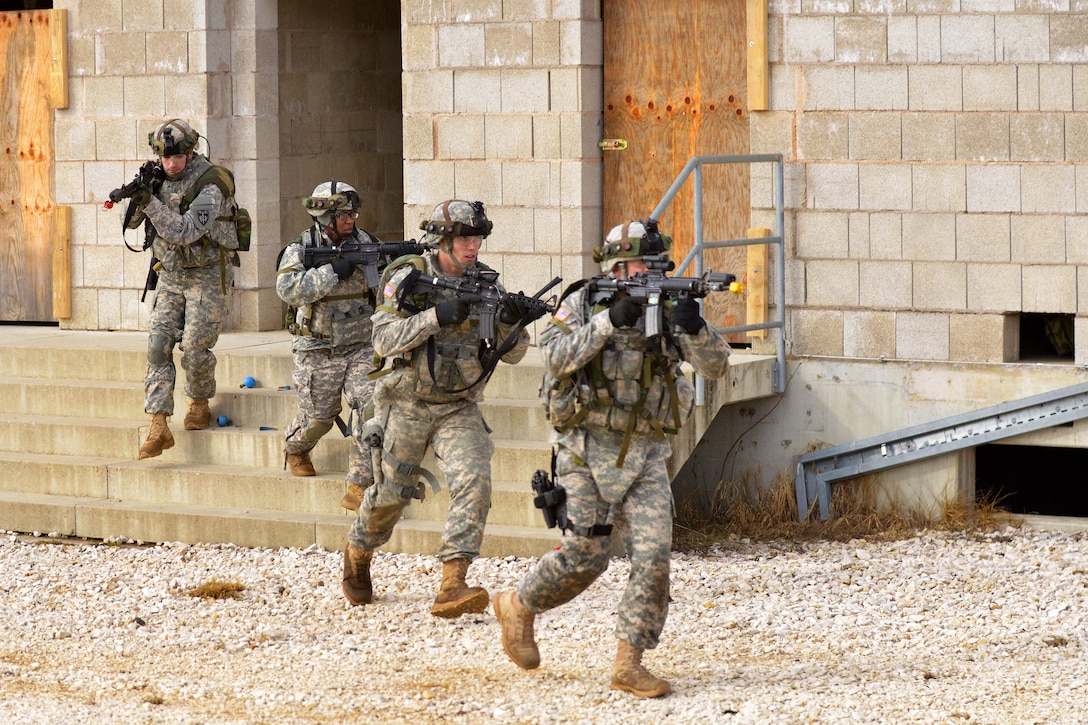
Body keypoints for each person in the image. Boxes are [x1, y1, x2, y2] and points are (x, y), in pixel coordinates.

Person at [492, 220, 731, 698]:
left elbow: (717, 365)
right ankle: (518, 605)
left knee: (654, 556)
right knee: (587, 556)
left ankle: (629, 662)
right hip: (584, 450)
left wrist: (696, 328)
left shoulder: (666, 308)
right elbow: (555, 359)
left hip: (644, 453)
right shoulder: (581, 302)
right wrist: (609, 321)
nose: (655, 270)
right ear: (619, 267)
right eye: (646, 263)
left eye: (659, 262)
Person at [341, 200, 536, 618]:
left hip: (458, 406)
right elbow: (383, 341)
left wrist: (513, 322)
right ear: (443, 240)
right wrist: (436, 316)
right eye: (465, 237)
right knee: (392, 495)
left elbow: (515, 354)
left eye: (478, 238)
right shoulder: (408, 277)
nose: (473, 246)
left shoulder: (487, 284)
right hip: (405, 402)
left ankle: (453, 581)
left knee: (474, 480)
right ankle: (358, 552)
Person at [131, 119, 241, 459]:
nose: (171, 164)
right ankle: (158, 424)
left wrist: (150, 202)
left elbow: (185, 231)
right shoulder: (159, 176)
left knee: (194, 347)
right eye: (165, 158)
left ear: (191, 151)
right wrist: (140, 193)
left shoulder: (213, 183)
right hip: (172, 274)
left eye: (178, 157)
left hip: (207, 275)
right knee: (158, 344)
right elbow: (134, 222)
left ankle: (198, 399)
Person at [275, 181, 378, 508]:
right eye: (343, 215)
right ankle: (295, 449)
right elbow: (287, 290)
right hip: (317, 349)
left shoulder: (367, 243)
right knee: (319, 418)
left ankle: (360, 482)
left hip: (362, 344)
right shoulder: (301, 248)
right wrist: (331, 271)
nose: (350, 220)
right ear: (326, 218)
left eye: (352, 213)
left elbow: (387, 287)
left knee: (371, 406)